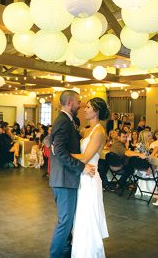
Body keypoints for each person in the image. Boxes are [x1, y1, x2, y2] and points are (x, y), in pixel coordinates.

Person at [49, 90, 95, 258]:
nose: (80, 104)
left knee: (67, 221)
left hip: (63, 178)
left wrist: (50, 144)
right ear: (69, 102)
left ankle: (66, 253)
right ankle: (55, 255)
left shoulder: (66, 121)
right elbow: (60, 150)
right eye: (78, 102)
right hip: (64, 179)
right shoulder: (63, 121)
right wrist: (81, 167)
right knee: (65, 222)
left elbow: (52, 140)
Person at [70, 97, 109, 257]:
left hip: (91, 179)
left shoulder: (99, 131)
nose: (84, 109)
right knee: (80, 216)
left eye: (87, 107)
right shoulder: (87, 130)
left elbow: (85, 157)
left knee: (88, 218)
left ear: (96, 111)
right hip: (82, 176)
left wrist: (61, 154)